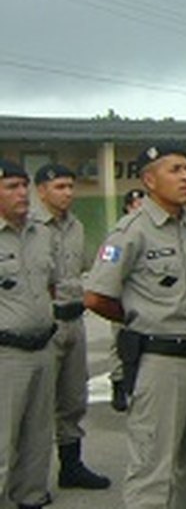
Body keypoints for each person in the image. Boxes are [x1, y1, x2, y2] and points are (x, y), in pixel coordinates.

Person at [84, 144, 186, 508]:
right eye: (175, 170)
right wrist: (141, 316)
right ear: (149, 180)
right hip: (159, 360)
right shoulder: (131, 231)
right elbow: (97, 296)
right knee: (153, 468)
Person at [33, 164, 112, 490]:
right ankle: (29, 479)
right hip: (44, 325)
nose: (67, 193)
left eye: (70, 186)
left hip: (74, 320)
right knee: (36, 405)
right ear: (41, 191)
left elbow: (79, 272)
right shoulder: (30, 227)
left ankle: (71, 466)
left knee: (73, 398)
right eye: (59, 186)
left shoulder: (76, 226)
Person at [0, 159, 55, 509]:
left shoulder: (41, 233)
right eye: (11, 187)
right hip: (6, 353)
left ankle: (30, 495)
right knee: (2, 436)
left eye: (24, 186)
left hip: (43, 346)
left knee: (38, 434)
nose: (22, 193)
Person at [108, 188, 147, 413]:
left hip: (142, 298)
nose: (139, 207)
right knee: (119, 342)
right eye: (135, 204)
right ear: (127, 207)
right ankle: (118, 383)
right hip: (122, 295)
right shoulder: (121, 232)